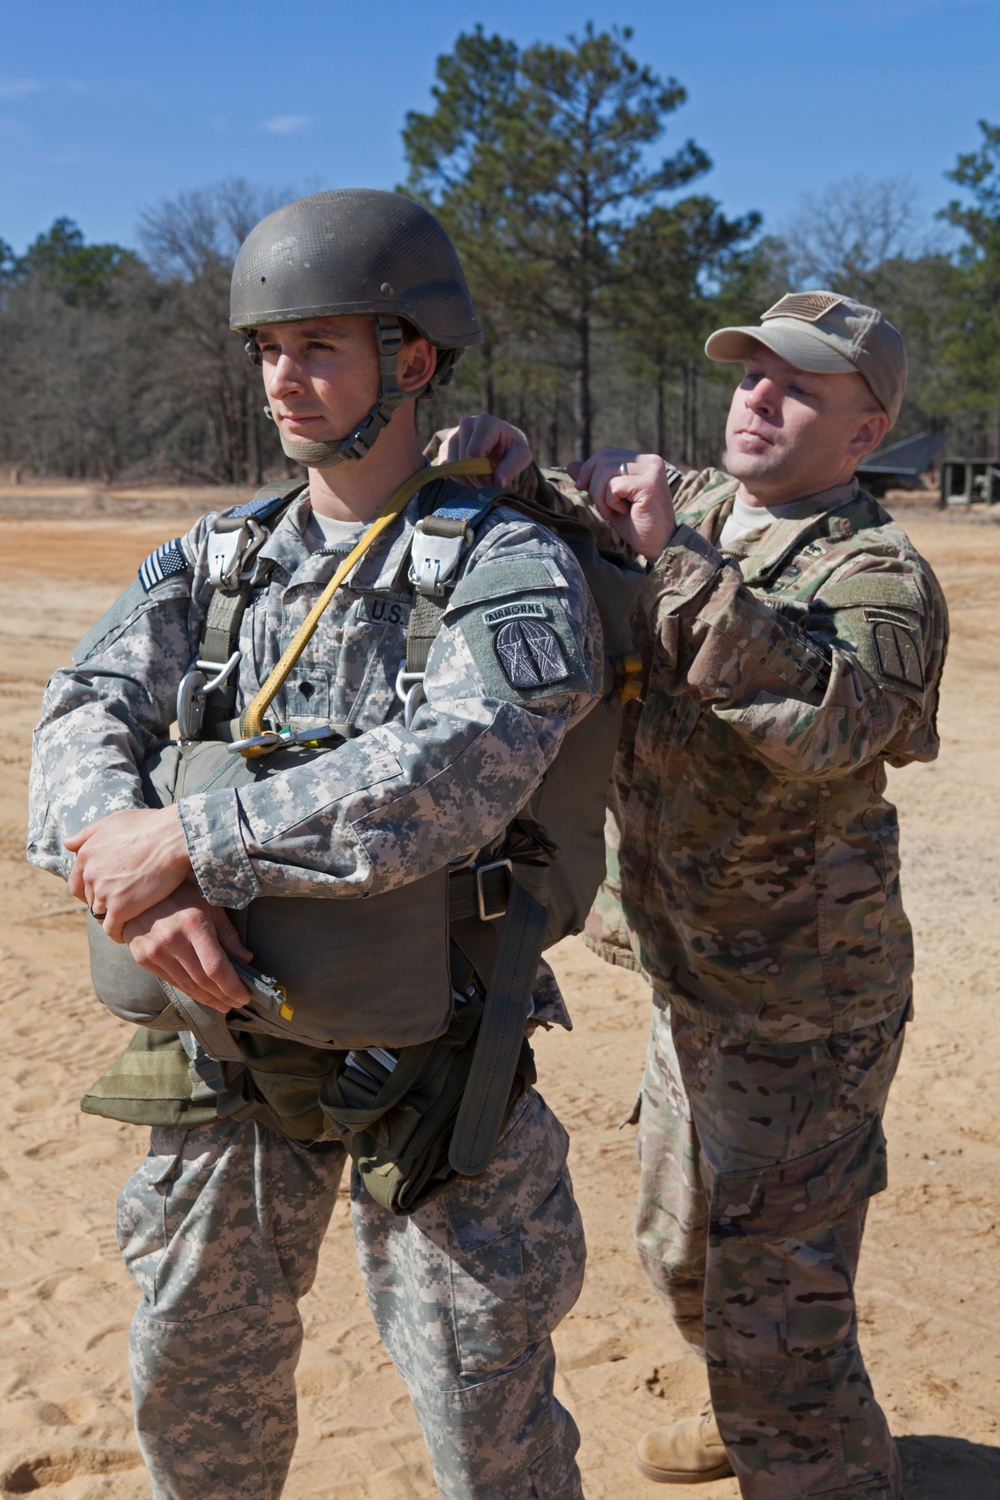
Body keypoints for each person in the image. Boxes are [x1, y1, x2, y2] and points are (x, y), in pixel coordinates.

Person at [27, 189, 601, 1500]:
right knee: (191, 1375)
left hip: (441, 1051)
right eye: (269, 350)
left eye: (320, 346)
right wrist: (129, 884)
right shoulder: (213, 561)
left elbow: (463, 769)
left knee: (482, 1398)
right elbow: (80, 716)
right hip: (224, 1038)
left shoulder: (500, 561)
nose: (285, 378)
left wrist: (192, 842)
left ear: (412, 361)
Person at [472, 291, 947, 1499]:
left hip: (803, 1005)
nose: (757, 397)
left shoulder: (878, 571)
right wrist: (522, 469)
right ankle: (754, 1419)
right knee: (680, 1255)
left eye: (797, 385)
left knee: (776, 1318)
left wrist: (671, 560)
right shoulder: (697, 505)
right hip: (694, 980)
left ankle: (807, 1452)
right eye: (749, 376)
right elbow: (589, 509)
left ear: (862, 432)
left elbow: (834, 724)